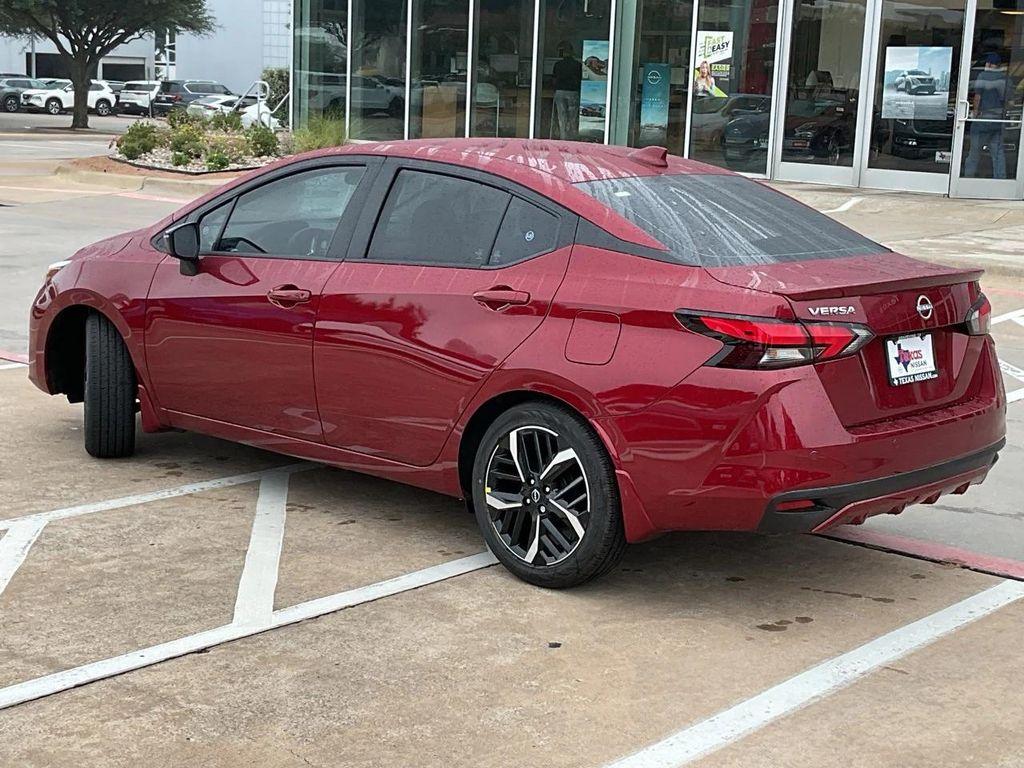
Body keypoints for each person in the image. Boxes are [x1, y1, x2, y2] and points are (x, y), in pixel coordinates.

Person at [965, 51, 1009, 179]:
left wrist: (974, 113)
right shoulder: (1005, 78)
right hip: (998, 121)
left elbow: (977, 97)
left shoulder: (983, 75)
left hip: (983, 120)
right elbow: (1010, 101)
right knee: (998, 154)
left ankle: (967, 179)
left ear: (989, 64)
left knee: (974, 153)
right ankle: (1000, 181)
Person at [551, 43, 581, 140]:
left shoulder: (558, 65)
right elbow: (580, 79)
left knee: (561, 116)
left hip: (560, 92)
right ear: (572, 52)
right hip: (573, 92)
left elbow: (554, 79)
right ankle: (573, 138)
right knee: (573, 117)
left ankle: (563, 137)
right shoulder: (577, 65)